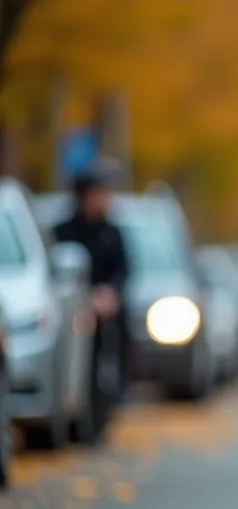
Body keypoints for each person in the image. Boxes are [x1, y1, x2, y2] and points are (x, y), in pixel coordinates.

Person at [53, 163, 130, 441]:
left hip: (104, 308)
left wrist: (110, 292)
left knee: (116, 339)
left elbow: (123, 270)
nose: (103, 200)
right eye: (97, 193)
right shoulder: (63, 231)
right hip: (72, 310)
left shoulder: (112, 232)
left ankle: (113, 398)